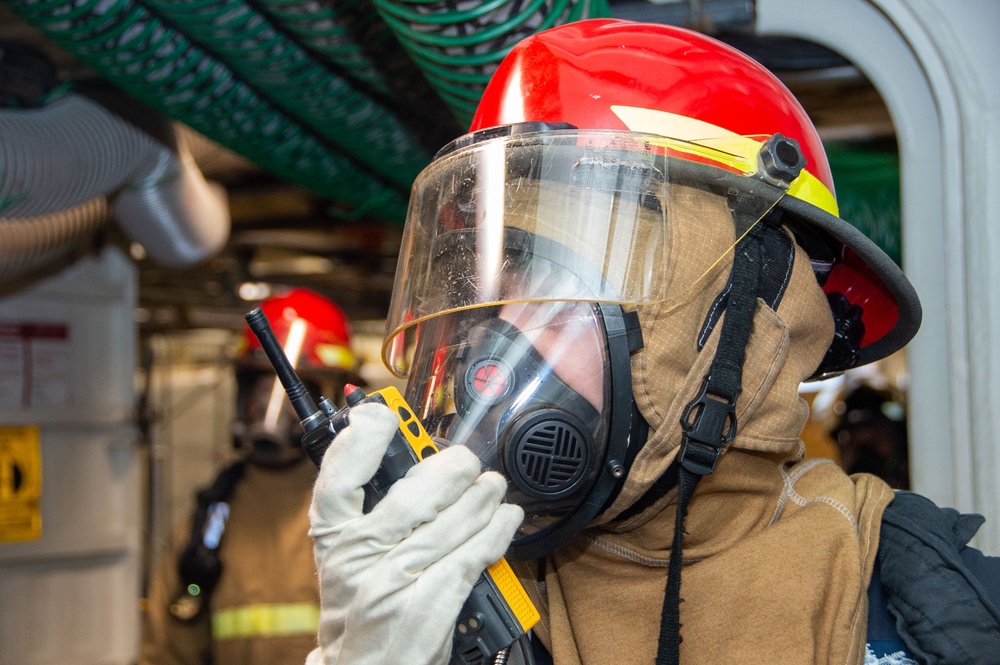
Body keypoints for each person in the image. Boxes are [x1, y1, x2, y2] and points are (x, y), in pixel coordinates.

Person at [303, 19, 1000, 665]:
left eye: (550, 292)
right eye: (483, 301)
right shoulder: (449, 612)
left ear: (736, 327)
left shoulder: (940, 614)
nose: (487, 354)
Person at [141, 288, 362, 665]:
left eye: (293, 394)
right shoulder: (207, 527)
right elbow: (167, 652)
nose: (270, 410)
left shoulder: (361, 511)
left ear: (326, 399)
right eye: (259, 390)